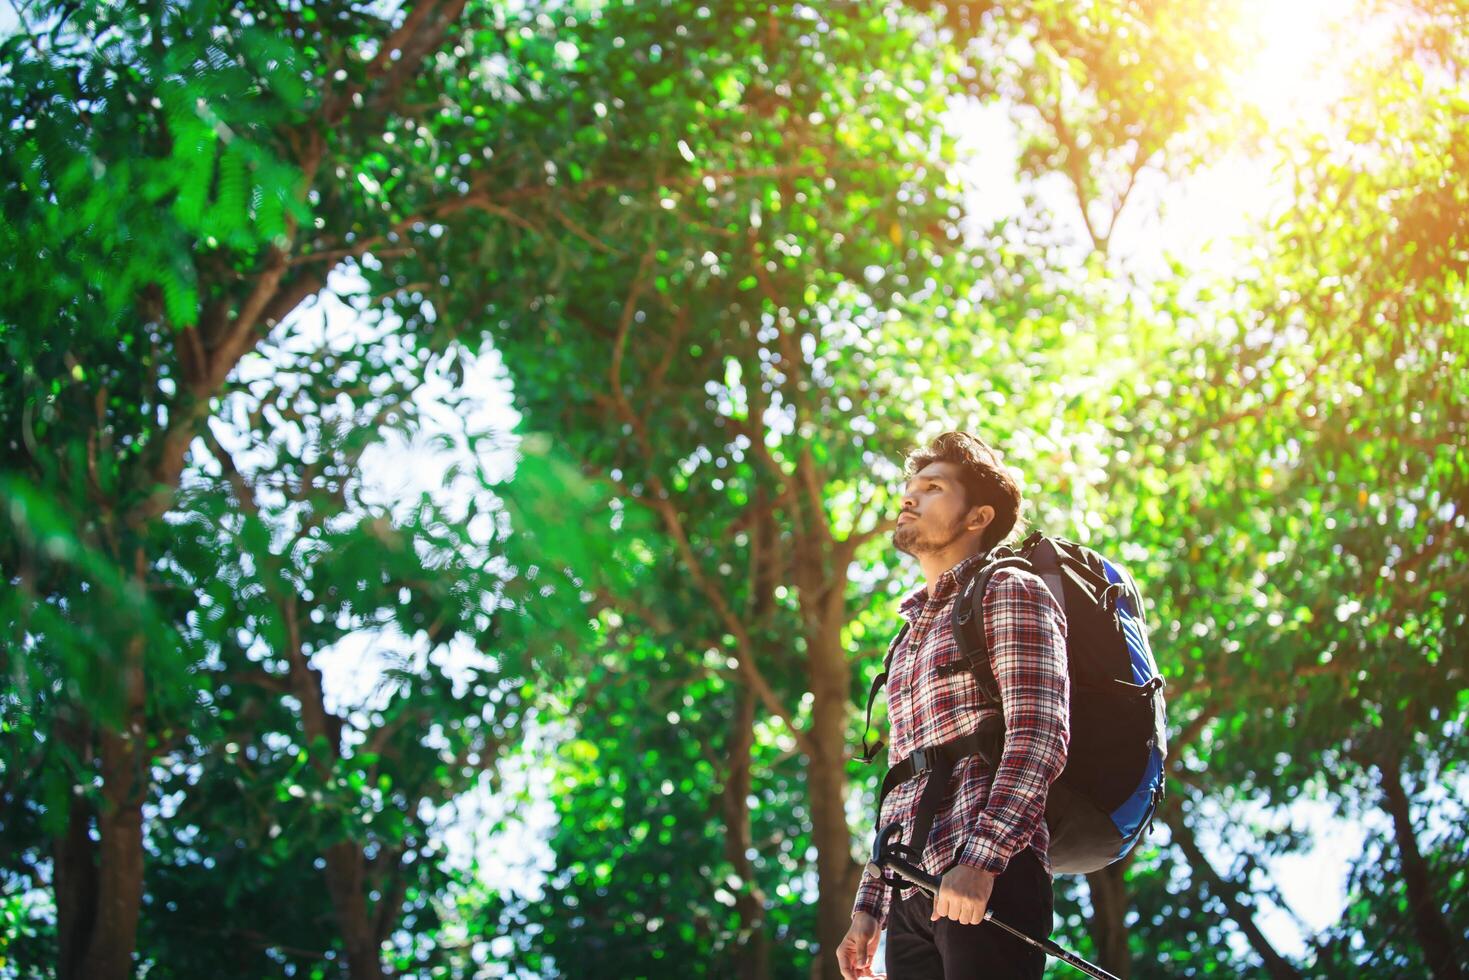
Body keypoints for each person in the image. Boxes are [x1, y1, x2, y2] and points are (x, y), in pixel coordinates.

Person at [837, 431, 1070, 980]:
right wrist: (871, 907)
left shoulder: (1009, 589)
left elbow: (1040, 734)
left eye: (933, 487)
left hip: (986, 878)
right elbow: (905, 779)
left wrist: (982, 862)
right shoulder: (909, 636)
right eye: (909, 487)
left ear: (976, 517)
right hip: (912, 891)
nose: (908, 499)